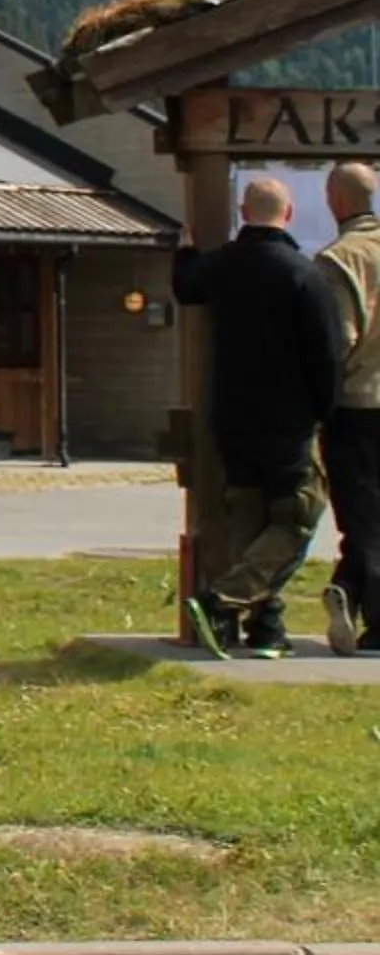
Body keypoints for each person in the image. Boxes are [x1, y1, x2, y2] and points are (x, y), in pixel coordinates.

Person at [171, 176, 345, 658]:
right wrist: (324, 410)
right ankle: (220, 600)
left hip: (232, 416)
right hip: (287, 420)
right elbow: (326, 354)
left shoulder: (222, 266)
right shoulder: (303, 274)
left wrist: (185, 252)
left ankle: (267, 629)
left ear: (243, 213)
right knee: (298, 517)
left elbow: (186, 287)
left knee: (249, 520)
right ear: (288, 214)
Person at [313, 162, 380, 656]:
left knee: (362, 513)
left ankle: (366, 603)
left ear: (334, 200)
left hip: (358, 403)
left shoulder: (338, 260)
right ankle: (348, 587)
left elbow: (339, 340)